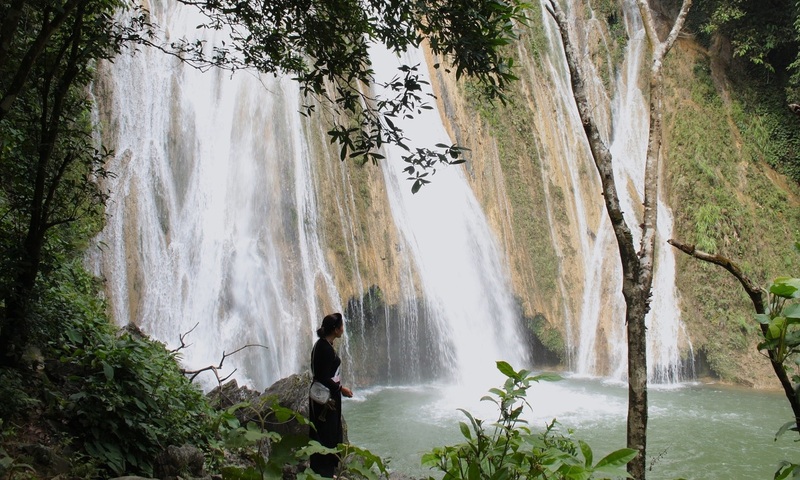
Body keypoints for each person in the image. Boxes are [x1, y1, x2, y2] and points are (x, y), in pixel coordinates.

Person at [309, 312, 353, 477]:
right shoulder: (324, 348)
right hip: (326, 399)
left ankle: (324, 470)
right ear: (335, 329)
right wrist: (341, 388)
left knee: (325, 431)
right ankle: (324, 471)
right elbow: (324, 377)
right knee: (327, 433)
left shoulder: (321, 345)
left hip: (323, 396)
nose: (343, 329)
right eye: (341, 326)